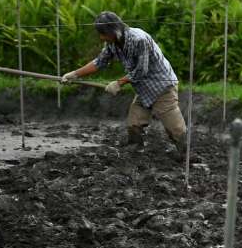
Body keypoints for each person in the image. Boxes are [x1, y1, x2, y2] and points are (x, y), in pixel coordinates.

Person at [61, 11, 186, 155]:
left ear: (113, 30)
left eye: (103, 34)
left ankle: (186, 154)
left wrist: (119, 83)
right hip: (144, 88)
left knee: (174, 127)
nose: (102, 38)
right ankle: (135, 150)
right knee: (134, 122)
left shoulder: (139, 39)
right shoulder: (113, 43)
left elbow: (141, 70)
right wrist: (74, 74)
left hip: (162, 86)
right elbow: (100, 62)